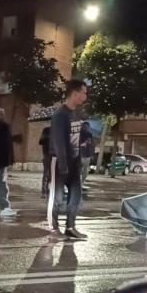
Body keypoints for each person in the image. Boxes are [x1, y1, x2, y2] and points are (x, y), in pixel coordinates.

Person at [47, 79, 89, 240]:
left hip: (74, 161)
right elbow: (58, 141)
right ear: (75, 93)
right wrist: (63, 164)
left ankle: (70, 227)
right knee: (56, 197)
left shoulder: (76, 113)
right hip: (59, 161)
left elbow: (77, 137)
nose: (85, 96)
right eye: (84, 92)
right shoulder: (60, 114)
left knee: (75, 195)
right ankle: (53, 229)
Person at [79, 122, 95, 189]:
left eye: (87, 126)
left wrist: (90, 143)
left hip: (87, 154)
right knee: (79, 170)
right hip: (81, 154)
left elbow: (92, 145)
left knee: (86, 170)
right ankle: (78, 184)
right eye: (85, 126)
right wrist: (84, 143)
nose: (86, 128)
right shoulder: (80, 134)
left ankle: (81, 183)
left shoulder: (89, 134)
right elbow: (78, 144)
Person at [39, 126, 52, 197]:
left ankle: (50, 190)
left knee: (53, 174)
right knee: (46, 173)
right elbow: (41, 141)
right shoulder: (46, 130)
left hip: (56, 155)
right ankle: (44, 191)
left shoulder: (59, 130)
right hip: (47, 155)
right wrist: (49, 138)